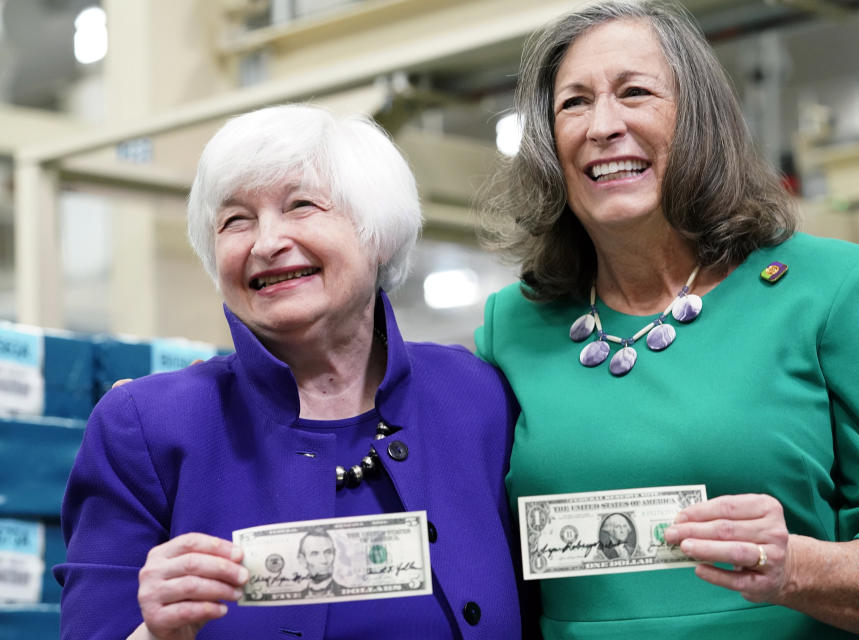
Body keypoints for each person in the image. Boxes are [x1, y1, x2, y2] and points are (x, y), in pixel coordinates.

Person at [475, 1, 859, 637]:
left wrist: (796, 568)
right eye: (574, 103)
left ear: (698, 119)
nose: (603, 125)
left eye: (635, 92)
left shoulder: (837, 290)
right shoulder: (510, 325)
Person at [55, 104, 527, 639]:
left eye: (301, 206)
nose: (266, 242)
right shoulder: (145, 427)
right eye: (236, 220)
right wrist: (155, 633)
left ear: (379, 234)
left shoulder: (476, 397)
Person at [297, 528, 343, 598]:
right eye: (314, 554)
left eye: (328, 552)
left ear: (334, 554)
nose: (324, 560)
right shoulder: (298, 597)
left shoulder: (347, 593)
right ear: (302, 560)